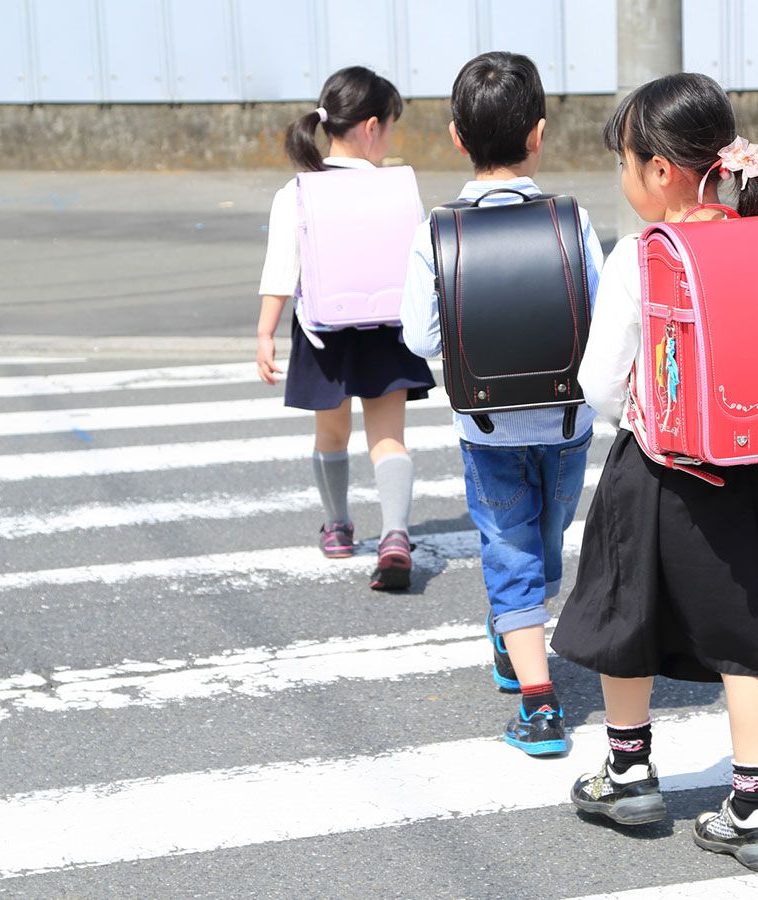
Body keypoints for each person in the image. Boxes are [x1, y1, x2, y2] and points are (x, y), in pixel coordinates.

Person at [551, 72, 758, 872]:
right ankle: (754, 806)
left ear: (662, 171)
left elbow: (601, 381)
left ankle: (629, 771)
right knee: (749, 641)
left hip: (660, 472)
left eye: (625, 162)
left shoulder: (646, 256)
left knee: (624, 615)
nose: (623, 178)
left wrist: (639, 413)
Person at [400, 51, 603, 756]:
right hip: (569, 419)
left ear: (457, 137)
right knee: (544, 544)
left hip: (486, 427)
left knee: (511, 547)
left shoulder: (438, 231)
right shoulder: (570, 221)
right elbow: (600, 319)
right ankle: (531, 666)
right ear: (539, 134)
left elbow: (419, 334)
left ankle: (536, 704)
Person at [257, 66, 435, 591]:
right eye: (393, 129)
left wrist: (264, 333)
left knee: (330, 434)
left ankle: (337, 528)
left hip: (322, 331)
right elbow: (420, 261)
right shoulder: (397, 188)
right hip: (387, 327)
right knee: (388, 439)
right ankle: (396, 534)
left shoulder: (297, 192)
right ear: (373, 126)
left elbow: (280, 270)